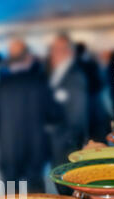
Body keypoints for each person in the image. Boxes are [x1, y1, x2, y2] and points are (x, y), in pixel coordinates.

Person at [0, 39, 50, 193]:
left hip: (8, 148)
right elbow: (54, 114)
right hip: (35, 147)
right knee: (36, 191)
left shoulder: (0, 87)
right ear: (28, 59)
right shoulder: (40, 83)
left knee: (11, 192)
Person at [48, 34, 88, 169]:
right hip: (56, 141)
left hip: (66, 143)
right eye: (53, 49)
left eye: (57, 49)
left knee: (66, 180)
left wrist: (67, 140)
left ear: (69, 51)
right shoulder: (58, 72)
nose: (53, 53)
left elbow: (78, 113)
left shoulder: (74, 75)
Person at [75, 42, 111, 141]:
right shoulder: (91, 64)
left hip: (82, 101)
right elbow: (100, 81)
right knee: (97, 127)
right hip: (93, 99)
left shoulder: (75, 65)